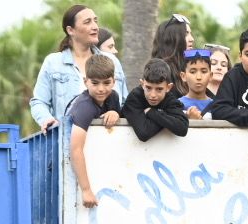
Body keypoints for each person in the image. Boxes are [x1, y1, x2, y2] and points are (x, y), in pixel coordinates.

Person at [29, 5, 125, 132]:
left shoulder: (112, 60)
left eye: (95, 21)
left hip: (107, 139)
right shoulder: (53, 62)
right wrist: (46, 119)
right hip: (66, 142)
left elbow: (125, 101)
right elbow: (39, 102)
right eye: (87, 22)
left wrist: (115, 113)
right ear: (70, 30)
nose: (95, 27)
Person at [68, 54, 122, 209]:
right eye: (95, 83)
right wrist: (86, 190)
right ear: (85, 82)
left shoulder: (113, 97)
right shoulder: (84, 107)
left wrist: (116, 113)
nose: (101, 89)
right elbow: (76, 149)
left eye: (107, 83)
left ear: (114, 81)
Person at [123, 59, 189, 142]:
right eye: (148, 88)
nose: (153, 95)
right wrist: (167, 118)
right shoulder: (135, 97)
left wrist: (152, 113)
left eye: (159, 89)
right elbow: (144, 133)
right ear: (142, 84)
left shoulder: (170, 99)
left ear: (168, 87)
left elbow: (182, 128)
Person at [150, 14, 193, 89]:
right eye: (186, 34)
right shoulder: (159, 71)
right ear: (172, 39)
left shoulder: (188, 67)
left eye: (190, 33)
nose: (192, 39)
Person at [178, 49, 215, 117]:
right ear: (183, 76)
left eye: (203, 72)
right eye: (193, 72)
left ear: (210, 76)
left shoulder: (217, 107)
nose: (198, 77)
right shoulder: (177, 106)